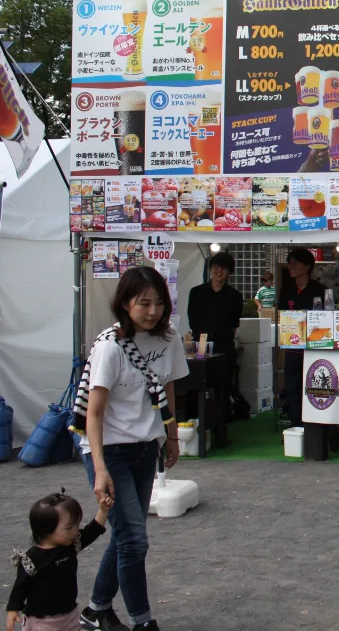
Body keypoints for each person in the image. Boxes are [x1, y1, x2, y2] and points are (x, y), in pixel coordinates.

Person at [71, 266, 188, 631]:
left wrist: (171, 436)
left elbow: (167, 387)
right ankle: (143, 621)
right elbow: (94, 412)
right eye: (143, 303)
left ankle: (95, 611)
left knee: (126, 536)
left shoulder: (169, 339)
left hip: (143, 449)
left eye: (158, 303)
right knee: (135, 539)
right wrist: (101, 469)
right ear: (125, 303)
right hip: (109, 451)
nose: (152, 311)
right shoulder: (109, 346)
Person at [6, 492, 111, 631]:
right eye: (69, 528)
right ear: (46, 531)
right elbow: (20, 586)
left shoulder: (71, 545)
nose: (75, 531)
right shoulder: (33, 557)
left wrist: (103, 510)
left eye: (76, 525)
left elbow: (92, 531)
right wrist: (13, 609)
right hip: (42, 622)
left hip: (69, 616)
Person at [186, 251, 242, 448]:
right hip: (200, 347)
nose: (219, 271)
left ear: (229, 272)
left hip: (225, 347)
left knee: (222, 390)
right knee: (196, 389)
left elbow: (235, 325)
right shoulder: (196, 292)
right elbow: (192, 320)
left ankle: (220, 433)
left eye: (224, 268)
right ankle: (194, 430)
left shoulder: (235, 296)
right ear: (210, 269)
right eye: (215, 266)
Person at [281, 248, 325, 426]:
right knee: (292, 388)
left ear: (307, 266)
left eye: (296, 263)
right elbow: (282, 316)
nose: (291, 266)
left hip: (315, 347)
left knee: (315, 386)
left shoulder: (320, 290)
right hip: (292, 347)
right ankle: (295, 427)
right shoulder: (286, 290)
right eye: (289, 262)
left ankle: (315, 427)